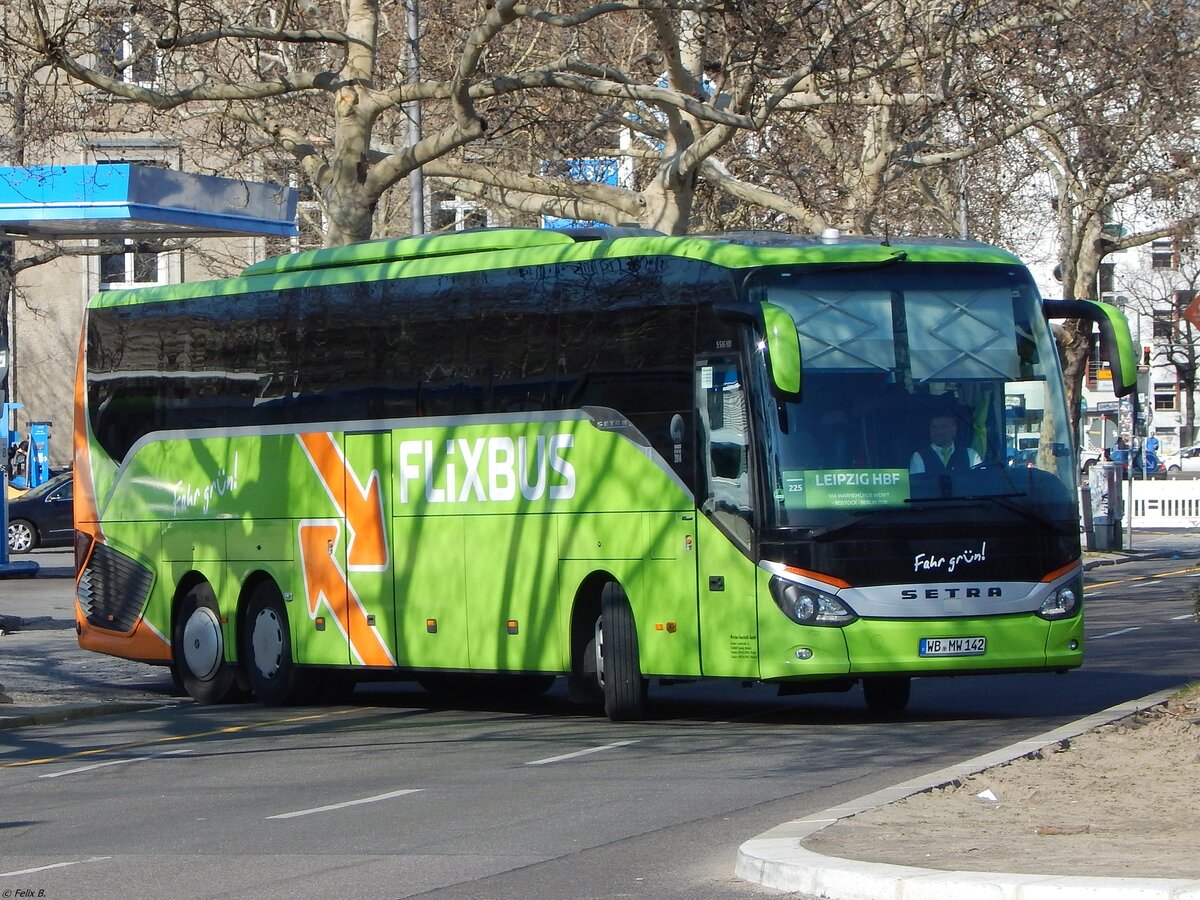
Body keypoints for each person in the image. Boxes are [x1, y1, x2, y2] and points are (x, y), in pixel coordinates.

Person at [909, 412, 981, 474]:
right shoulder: (918, 457)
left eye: (943, 427)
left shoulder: (970, 455)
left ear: (954, 429)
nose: (939, 431)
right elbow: (918, 487)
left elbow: (979, 482)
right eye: (934, 427)